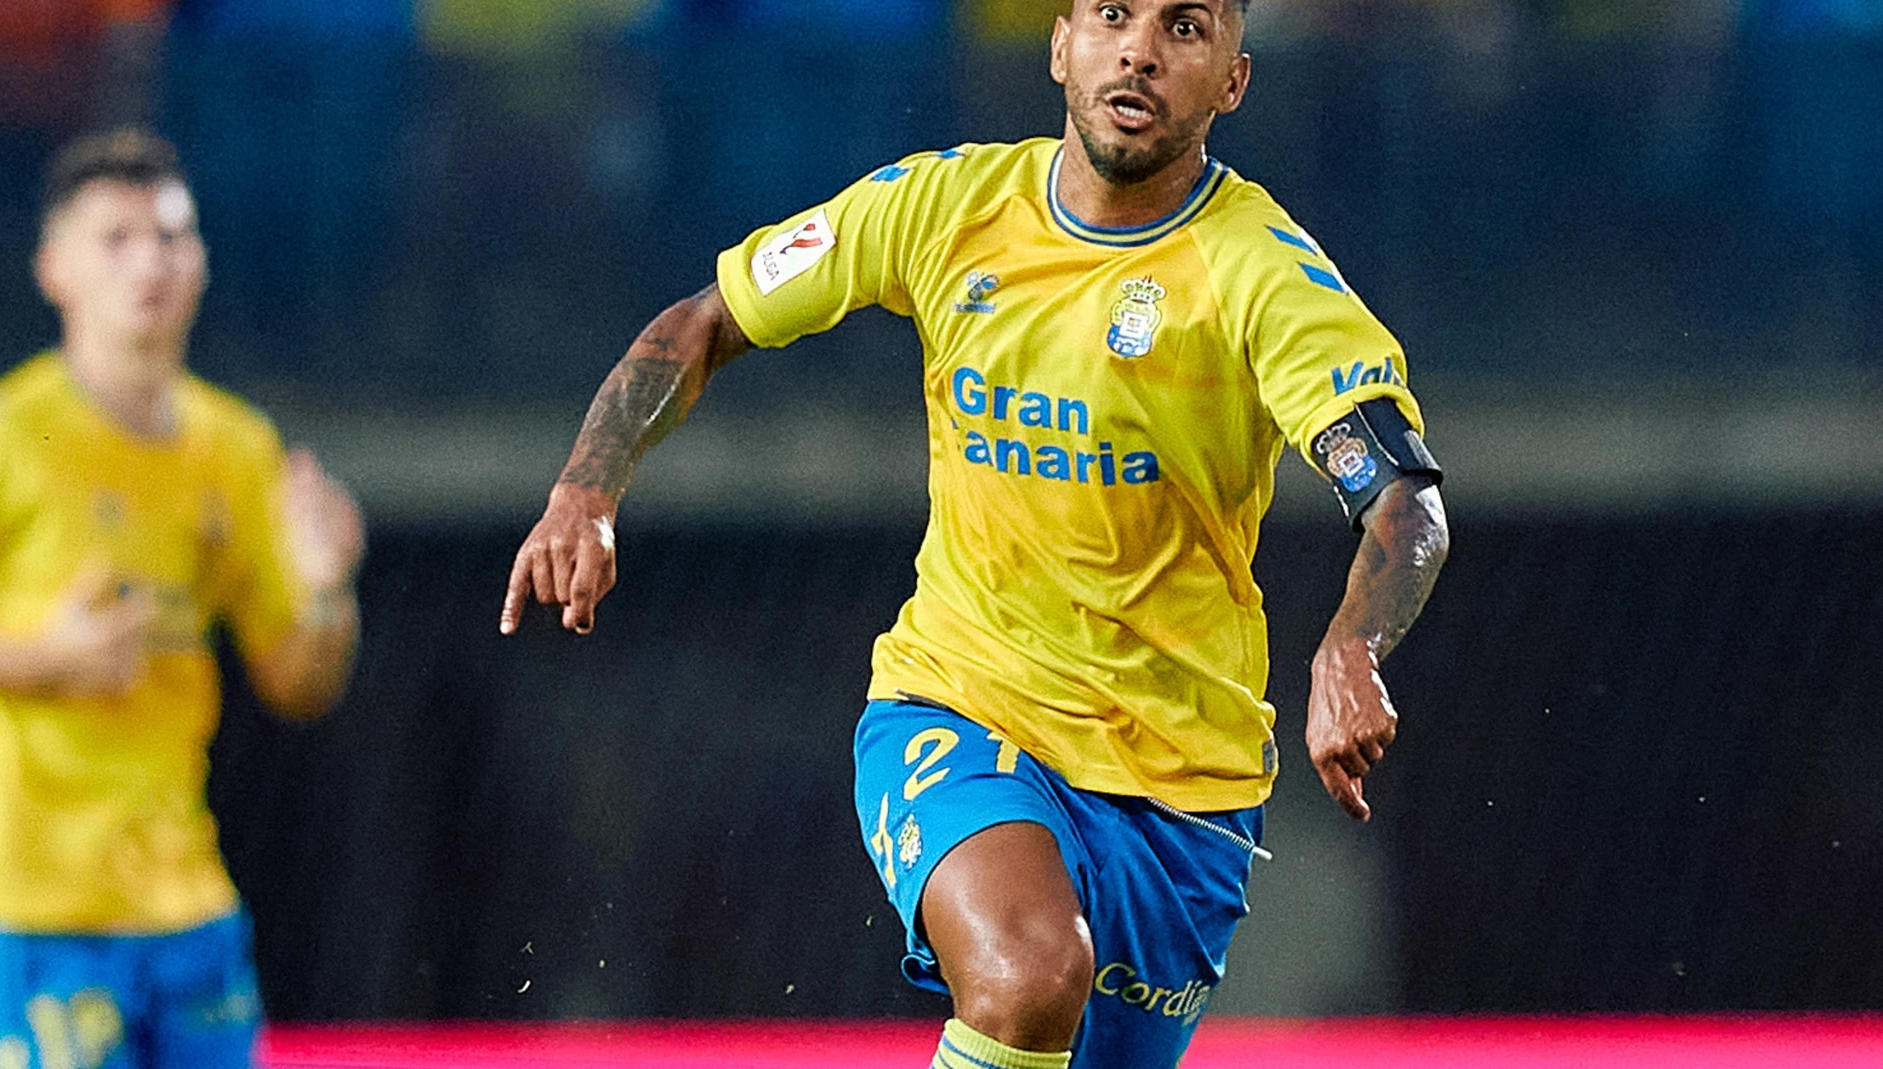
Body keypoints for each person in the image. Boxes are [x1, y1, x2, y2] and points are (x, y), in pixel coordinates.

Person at [500, 1, 1449, 1065]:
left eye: (1184, 26)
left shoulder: (1265, 274)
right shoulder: (944, 205)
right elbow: (704, 319)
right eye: (1110, 15)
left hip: (1185, 789)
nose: (1137, 49)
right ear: (1059, 45)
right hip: (958, 704)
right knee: (1030, 974)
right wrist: (586, 489)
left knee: (1057, 1028)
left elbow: (1404, 503)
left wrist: (1352, 647)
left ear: (1232, 79)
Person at [0, 128, 365, 1069]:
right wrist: (44, 661)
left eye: (170, 236)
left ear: (200, 262)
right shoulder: (8, 437)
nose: (149, 261)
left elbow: (299, 683)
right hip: (36, 913)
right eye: (115, 239)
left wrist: (327, 595)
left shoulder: (237, 448)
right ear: (52, 268)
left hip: (188, 908)